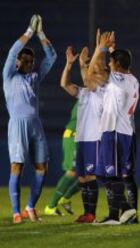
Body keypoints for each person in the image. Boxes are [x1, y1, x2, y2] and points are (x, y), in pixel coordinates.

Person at [3, 14, 57, 224]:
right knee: (17, 166)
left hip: (36, 125)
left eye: (30, 61)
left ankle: (29, 207)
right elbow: (12, 51)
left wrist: (41, 34)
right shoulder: (9, 76)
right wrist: (29, 32)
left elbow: (51, 57)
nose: (26, 62)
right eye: (23, 60)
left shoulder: (35, 77)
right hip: (17, 124)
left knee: (42, 166)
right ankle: (16, 212)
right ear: (17, 61)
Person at [87, 31, 139, 225]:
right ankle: (114, 215)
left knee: (107, 174)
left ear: (116, 65)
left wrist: (100, 48)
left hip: (115, 131)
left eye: (111, 62)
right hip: (120, 132)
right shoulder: (133, 80)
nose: (108, 64)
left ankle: (126, 208)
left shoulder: (116, 80)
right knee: (105, 174)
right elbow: (111, 68)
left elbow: (92, 72)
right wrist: (111, 50)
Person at [60, 46, 103, 223]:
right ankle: (87, 213)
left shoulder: (100, 91)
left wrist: (83, 64)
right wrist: (69, 65)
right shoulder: (83, 92)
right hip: (81, 139)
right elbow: (64, 84)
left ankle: (91, 214)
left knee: (91, 176)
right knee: (83, 177)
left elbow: (88, 78)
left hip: (94, 138)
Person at [44, 102, 79, 216]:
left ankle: (66, 198)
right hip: (74, 135)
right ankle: (51, 206)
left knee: (90, 174)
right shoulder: (88, 95)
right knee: (72, 171)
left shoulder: (98, 94)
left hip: (85, 137)